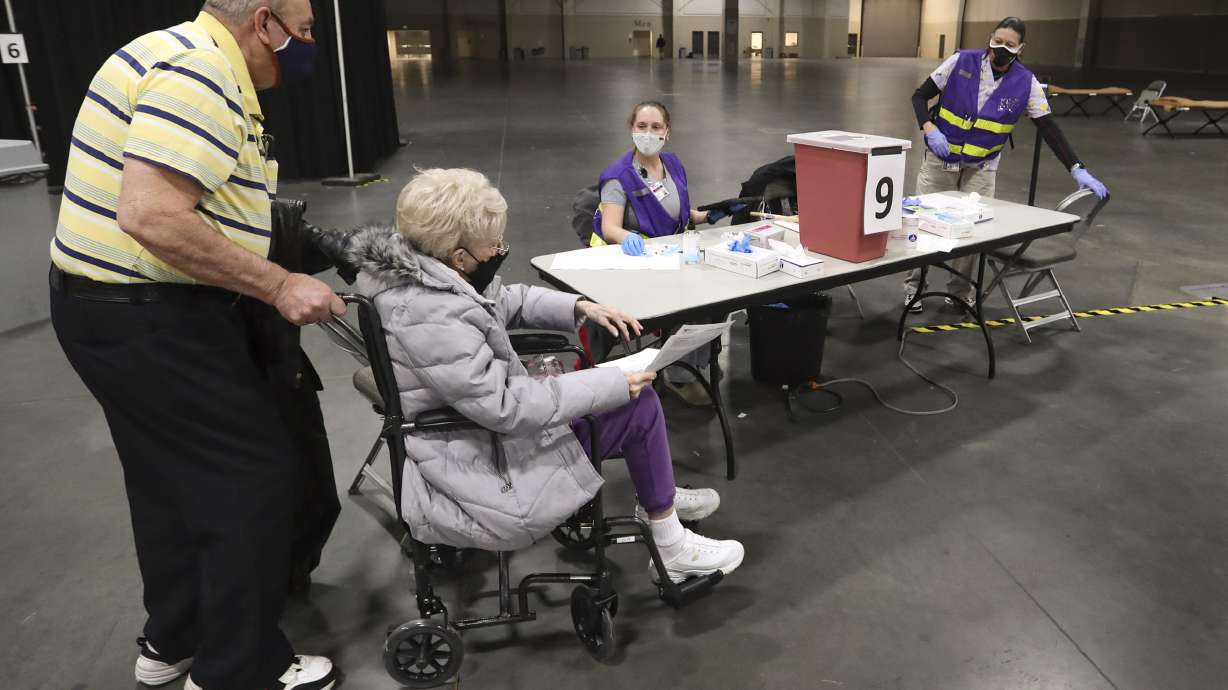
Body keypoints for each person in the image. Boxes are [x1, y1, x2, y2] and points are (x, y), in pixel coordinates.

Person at [48, 1, 341, 688]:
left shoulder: (169, 51)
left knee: (166, 482)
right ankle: (238, 670)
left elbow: (210, 198)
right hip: (152, 317)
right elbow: (150, 214)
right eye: (305, 29)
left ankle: (173, 641)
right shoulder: (201, 75)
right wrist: (277, 284)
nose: (309, 47)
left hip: (104, 308)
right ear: (264, 22)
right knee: (255, 480)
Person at [344, 167, 746, 584]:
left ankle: (658, 493)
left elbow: (502, 299)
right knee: (636, 403)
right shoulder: (432, 315)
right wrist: (610, 383)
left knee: (626, 395)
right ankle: (670, 542)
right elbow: (506, 407)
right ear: (458, 256)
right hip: (484, 460)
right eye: (492, 245)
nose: (499, 250)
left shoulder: (427, 276)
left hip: (478, 432)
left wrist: (578, 307)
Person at [903, 16, 1108, 314]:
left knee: (971, 232)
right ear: (990, 39)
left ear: (1020, 49)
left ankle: (959, 292)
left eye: (1009, 45)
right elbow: (920, 96)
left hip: (981, 168)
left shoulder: (1027, 84)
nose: (1001, 48)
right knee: (923, 224)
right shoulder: (962, 61)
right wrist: (929, 128)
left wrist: (1076, 167)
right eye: (997, 41)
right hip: (940, 160)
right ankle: (914, 289)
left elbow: (1049, 128)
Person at [592, 101, 737, 404]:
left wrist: (707, 215)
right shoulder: (618, 176)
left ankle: (697, 361)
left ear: (667, 131)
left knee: (721, 294)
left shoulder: (672, 164)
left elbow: (678, 213)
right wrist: (627, 237)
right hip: (641, 263)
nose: (648, 133)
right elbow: (609, 227)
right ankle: (681, 377)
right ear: (632, 129)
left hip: (674, 256)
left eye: (656, 127)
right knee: (697, 302)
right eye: (641, 126)